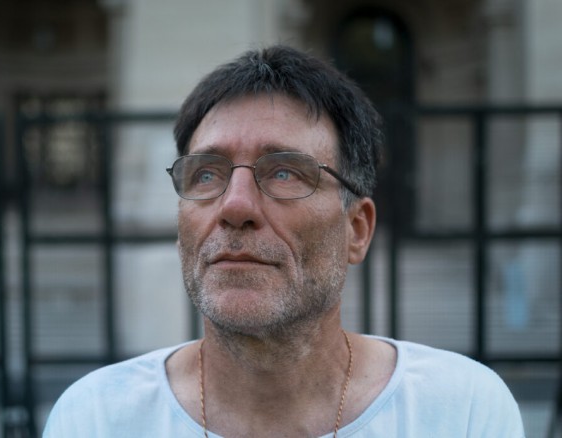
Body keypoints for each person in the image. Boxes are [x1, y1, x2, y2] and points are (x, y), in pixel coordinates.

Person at [42, 45, 525, 437]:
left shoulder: (461, 411)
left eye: (285, 172)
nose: (234, 206)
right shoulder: (95, 419)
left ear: (357, 229)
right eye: (206, 174)